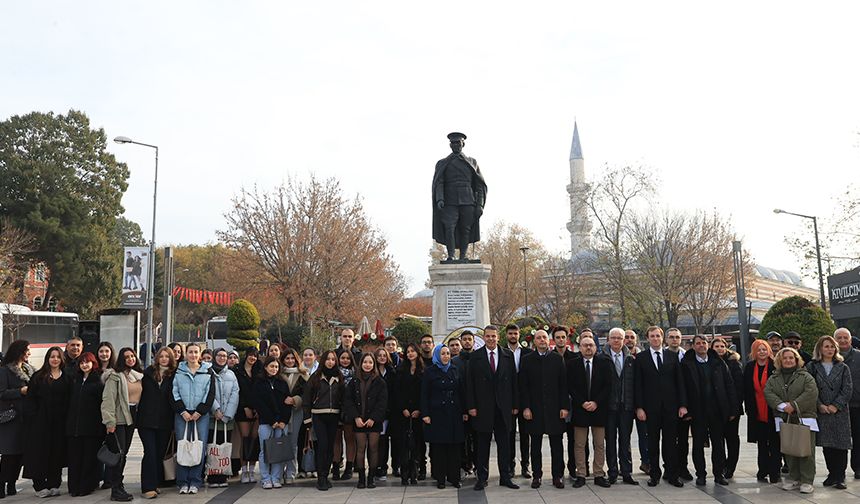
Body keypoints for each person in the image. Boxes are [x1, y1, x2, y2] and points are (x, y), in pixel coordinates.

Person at [466, 325, 519, 490]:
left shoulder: (507, 355)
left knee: (505, 445)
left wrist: (515, 405)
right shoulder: (475, 357)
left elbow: (514, 383)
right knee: (482, 446)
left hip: (503, 408)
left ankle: (505, 477)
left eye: (493, 336)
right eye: (487, 336)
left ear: (498, 337)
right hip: (483, 408)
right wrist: (471, 406)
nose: (490, 339)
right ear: (484, 337)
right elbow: (470, 384)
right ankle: (482, 478)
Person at [634, 326, 687, 487]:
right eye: (652, 336)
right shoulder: (641, 358)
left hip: (670, 408)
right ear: (648, 338)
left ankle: (672, 474)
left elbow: (680, 383)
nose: (655, 338)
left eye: (658, 335)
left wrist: (683, 405)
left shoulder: (672, 356)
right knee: (653, 442)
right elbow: (638, 385)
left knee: (671, 442)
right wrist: (639, 407)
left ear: (662, 338)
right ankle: (654, 474)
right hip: (650, 409)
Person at [680, 335, 736, 487]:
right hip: (697, 411)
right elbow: (682, 387)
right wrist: (685, 407)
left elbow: (729, 384)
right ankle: (701, 475)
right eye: (697, 343)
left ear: (708, 345)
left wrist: (732, 408)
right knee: (698, 444)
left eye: (703, 343)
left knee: (718, 444)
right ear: (693, 346)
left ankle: (719, 474)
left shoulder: (718, 362)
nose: (701, 346)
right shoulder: (686, 364)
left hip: (717, 410)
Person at [764, 347, 818, 494]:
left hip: (804, 417)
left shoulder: (805, 376)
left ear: (796, 360)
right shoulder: (774, 378)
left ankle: (807, 480)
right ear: (780, 360)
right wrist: (782, 406)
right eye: (785, 358)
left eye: (791, 358)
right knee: (790, 449)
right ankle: (794, 477)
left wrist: (794, 405)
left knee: (806, 450)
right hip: (784, 418)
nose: (788, 360)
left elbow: (811, 392)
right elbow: (768, 392)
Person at [519, 329, 568, 489]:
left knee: (557, 445)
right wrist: (525, 407)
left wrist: (564, 407)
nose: (542, 340)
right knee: (536, 445)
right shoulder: (526, 360)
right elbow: (523, 386)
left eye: (544, 338)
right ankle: (537, 475)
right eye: (538, 338)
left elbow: (563, 386)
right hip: (535, 409)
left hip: (554, 409)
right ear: (534, 341)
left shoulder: (557, 359)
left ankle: (557, 476)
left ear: (549, 341)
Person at [431, 131, 487, 261]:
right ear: (450, 145)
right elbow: (439, 182)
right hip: (449, 201)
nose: (455, 145)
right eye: (453, 143)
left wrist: (480, 204)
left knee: (465, 229)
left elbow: (480, 185)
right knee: (449, 227)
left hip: (468, 200)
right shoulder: (442, 163)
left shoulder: (472, 162)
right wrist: (439, 198)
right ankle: (450, 255)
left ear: (463, 144)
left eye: (458, 142)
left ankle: (463, 256)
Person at [23, 346, 70, 498]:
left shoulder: (67, 378)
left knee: (56, 453)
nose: (55, 359)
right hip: (40, 422)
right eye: (52, 356)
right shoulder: (38, 376)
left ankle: (54, 483)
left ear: (61, 359)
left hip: (59, 423)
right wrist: (33, 418)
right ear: (47, 359)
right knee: (38, 453)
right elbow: (30, 400)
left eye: (57, 356)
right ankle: (39, 485)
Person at [807, 335, 852, 489]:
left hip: (839, 411)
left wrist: (836, 405)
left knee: (841, 444)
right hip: (822, 410)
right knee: (827, 444)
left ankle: (840, 476)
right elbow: (809, 388)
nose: (830, 349)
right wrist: (820, 405)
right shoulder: (812, 366)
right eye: (826, 346)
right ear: (820, 348)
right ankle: (831, 474)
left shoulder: (842, 367)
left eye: (832, 346)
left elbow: (847, 389)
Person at [172, 342, 216, 495]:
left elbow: (210, 393)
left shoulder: (207, 371)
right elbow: (174, 392)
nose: (193, 355)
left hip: (200, 415)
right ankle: (183, 481)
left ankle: (196, 480)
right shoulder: (178, 371)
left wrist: (200, 411)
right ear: (186, 354)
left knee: (199, 447)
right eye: (190, 352)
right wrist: (182, 410)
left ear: (200, 354)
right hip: (182, 414)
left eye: (196, 352)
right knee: (183, 446)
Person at [568, 335, 612, 488]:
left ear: (595, 347)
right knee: (579, 444)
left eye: (591, 345)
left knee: (599, 444)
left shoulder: (604, 363)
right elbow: (571, 387)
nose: (588, 348)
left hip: (598, 409)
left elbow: (608, 386)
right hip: (580, 410)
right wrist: (582, 402)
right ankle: (581, 474)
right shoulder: (572, 364)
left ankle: (599, 474)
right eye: (585, 345)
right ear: (579, 347)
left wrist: (596, 402)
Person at [102, 347, 144, 502]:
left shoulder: (137, 375)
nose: (130, 359)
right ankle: (115, 488)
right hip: (118, 419)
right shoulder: (115, 376)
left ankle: (119, 485)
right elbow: (108, 400)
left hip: (132, 417)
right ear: (121, 359)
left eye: (132, 356)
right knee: (118, 455)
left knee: (124, 453)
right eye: (126, 357)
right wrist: (109, 422)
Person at [421, 344, 465, 489]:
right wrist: (426, 414)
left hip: (454, 413)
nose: (446, 356)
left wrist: (464, 411)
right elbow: (424, 394)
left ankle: (454, 477)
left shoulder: (455, 369)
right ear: (437, 355)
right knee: (439, 448)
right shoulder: (430, 372)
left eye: (448, 353)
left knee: (454, 448)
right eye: (443, 353)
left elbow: (461, 391)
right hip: (437, 414)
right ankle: (440, 478)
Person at [600, 327, 638, 485]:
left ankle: (627, 472)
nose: (616, 340)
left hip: (626, 406)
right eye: (613, 338)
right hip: (609, 407)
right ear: (608, 339)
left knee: (625, 440)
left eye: (619, 338)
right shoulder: (601, 359)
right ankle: (613, 472)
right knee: (610, 441)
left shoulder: (631, 359)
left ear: (624, 340)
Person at [302, 350, 344, 491]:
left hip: (334, 416)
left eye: (333, 359)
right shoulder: (315, 377)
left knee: (330, 448)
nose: (330, 362)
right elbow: (306, 399)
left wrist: (342, 416)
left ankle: (326, 475)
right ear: (323, 360)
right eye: (328, 359)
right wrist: (307, 419)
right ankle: (321, 478)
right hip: (318, 416)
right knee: (322, 446)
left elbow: (343, 398)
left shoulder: (339, 376)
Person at [137, 347, 177, 499]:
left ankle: (154, 483)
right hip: (146, 421)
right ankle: (147, 487)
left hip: (165, 422)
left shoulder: (174, 375)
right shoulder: (147, 373)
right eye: (162, 356)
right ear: (157, 357)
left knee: (159, 454)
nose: (164, 359)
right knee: (150, 453)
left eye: (167, 356)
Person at [344, 353, 388, 489]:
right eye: (365, 362)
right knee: (361, 448)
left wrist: (373, 418)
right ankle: (361, 478)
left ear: (373, 364)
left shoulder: (380, 381)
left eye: (370, 362)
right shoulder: (354, 381)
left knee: (373, 449)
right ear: (361, 364)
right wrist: (356, 417)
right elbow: (348, 400)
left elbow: (383, 402)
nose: (367, 365)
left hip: (374, 421)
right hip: (359, 420)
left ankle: (371, 478)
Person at [743, 339, 781, 483]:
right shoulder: (749, 367)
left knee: (775, 443)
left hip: (773, 409)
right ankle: (763, 470)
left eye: (764, 349)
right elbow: (747, 389)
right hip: (756, 410)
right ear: (754, 352)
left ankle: (774, 471)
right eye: (759, 350)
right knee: (762, 444)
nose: (762, 352)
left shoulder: (775, 365)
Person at [67, 352, 104, 497]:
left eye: (87, 362)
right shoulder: (74, 380)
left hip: (91, 428)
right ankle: (74, 487)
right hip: (73, 428)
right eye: (82, 362)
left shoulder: (98, 382)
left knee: (89, 459)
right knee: (75, 459)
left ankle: (86, 486)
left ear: (93, 363)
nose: (84, 365)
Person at [0, 340, 33, 498]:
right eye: (27, 350)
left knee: (20, 454)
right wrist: (20, 391)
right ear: (19, 351)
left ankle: (12, 484)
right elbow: (2, 393)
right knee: (9, 454)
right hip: (11, 419)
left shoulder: (28, 369)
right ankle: (1, 485)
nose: (29, 353)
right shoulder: (5, 371)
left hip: (25, 418)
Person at [253, 356, 290, 489]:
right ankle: (265, 478)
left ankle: (276, 477)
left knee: (277, 450)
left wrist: (283, 421)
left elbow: (287, 403)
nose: (274, 369)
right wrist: (272, 421)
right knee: (264, 450)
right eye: (271, 366)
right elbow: (259, 404)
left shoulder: (282, 383)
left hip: (281, 423)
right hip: (266, 422)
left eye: (276, 367)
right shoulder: (259, 383)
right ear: (265, 367)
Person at [711, 337, 744, 480]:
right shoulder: (709, 363)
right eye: (716, 346)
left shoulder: (733, 363)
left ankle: (730, 467)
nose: (719, 349)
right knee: (717, 441)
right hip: (715, 410)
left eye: (722, 346)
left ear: (726, 348)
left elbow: (738, 388)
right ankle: (720, 466)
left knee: (732, 439)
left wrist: (734, 409)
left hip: (732, 409)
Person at [207, 348, 239, 488]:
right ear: (214, 357)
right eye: (219, 355)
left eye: (224, 356)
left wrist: (227, 414)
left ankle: (223, 476)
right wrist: (215, 410)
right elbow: (206, 392)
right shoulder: (208, 372)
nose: (222, 358)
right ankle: (213, 477)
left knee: (224, 448)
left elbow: (235, 394)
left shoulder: (231, 374)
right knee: (212, 447)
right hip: (212, 417)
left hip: (227, 418)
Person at [394, 343, 424, 485]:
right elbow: (397, 392)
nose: (410, 354)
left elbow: (425, 392)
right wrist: (403, 408)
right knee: (404, 444)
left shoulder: (424, 370)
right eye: (408, 352)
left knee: (417, 444)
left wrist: (419, 409)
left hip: (418, 413)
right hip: (403, 413)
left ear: (417, 353)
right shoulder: (400, 370)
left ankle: (415, 473)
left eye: (413, 351)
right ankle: (404, 473)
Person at [505, 323, 532, 479]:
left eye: (515, 333)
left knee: (525, 435)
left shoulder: (527, 353)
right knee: (509, 435)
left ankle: (525, 466)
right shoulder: (502, 352)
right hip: (508, 401)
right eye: (510, 333)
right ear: (506, 335)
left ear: (519, 334)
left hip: (524, 400)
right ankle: (510, 466)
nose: (513, 336)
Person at [664, 328, 692, 482]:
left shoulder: (687, 356)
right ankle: (669, 468)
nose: (674, 340)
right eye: (671, 337)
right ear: (666, 339)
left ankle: (683, 467)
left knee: (683, 440)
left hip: (684, 405)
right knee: (668, 439)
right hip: (667, 406)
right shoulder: (661, 356)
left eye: (677, 337)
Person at [552, 326, 578, 478]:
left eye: (563, 337)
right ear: (553, 339)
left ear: (567, 339)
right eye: (557, 337)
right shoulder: (550, 357)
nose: (560, 340)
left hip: (573, 402)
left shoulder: (574, 357)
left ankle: (573, 468)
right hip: (556, 404)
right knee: (557, 439)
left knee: (573, 439)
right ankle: (558, 470)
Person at [279, 348, 308, 485]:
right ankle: (278, 471)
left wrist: (295, 400)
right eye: (287, 358)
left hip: (297, 413)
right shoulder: (277, 373)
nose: (290, 361)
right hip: (280, 413)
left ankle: (291, 470)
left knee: (293, 443)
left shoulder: (303, 374)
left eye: (292, 358)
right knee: (280, 441)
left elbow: (307, 394)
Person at [835, 328, 860, 479]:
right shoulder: (830, 358)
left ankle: (858, 466)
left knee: (858, 438)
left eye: (845, 338)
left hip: (857, 405)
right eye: (839, 338)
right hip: (838, 406)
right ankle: (839, 471)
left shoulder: (859, 356)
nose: (843, 340)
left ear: (850, 340)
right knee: (840, 440)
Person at [234, 349, 261, 484]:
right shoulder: (237, 370)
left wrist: (256, 408)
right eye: (251, 355)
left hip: (257, 410)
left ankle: (251, 469)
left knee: (254, 439)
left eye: (255, 356)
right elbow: (237, 391)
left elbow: (261, 390)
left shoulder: (259, 370)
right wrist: (245, 407)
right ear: (246, 356)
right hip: (242, 409)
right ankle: (244, 470)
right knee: (245, 439)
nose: (253, 358)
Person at [452, 330, 477, 477]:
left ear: (474, 341)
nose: (467, 341)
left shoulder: (479, 358)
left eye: (470, 339)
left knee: (477, 439)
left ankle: (476, 465)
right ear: (461, 341)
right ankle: (462, 465)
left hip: (477, 408)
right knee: (461, 439)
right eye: (465, 339)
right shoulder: (454, 361)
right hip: (460, 407)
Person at [625, 329, 649, 474]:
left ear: (637, 339)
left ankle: (646, 462)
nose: (629, 340)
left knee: (645, 435)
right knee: (625, 436)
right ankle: (626, 467)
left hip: (642, 403)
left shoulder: (644, 357)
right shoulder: (620, 357)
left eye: (631, 337)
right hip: (626, 403)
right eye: (626, 337)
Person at [333, 349, 357, 480]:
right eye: (342, 358)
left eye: (348, 358)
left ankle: (349, 468)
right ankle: (335, 467)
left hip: (349, 411)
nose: (345, 360)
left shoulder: (356, 374)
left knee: (350, 439)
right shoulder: (333, 373)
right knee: (336, 440)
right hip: (335, 410)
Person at [373, 347, 396, 481]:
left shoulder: (391, 373)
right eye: (379, 355)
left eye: (384, 355)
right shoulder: (372, 373)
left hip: (387, 413)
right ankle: (374, 467)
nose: (382, 357)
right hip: (374, 413)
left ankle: (383, 467)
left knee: (384, 441)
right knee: (374, 442)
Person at [297, 348, 318, 478]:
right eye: (305, 355)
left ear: (315, 356)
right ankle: (302, 468)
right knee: (301, 439)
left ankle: (315, 467)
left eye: (310, 354)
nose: (308, 357)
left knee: (315, 439)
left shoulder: (319, 371)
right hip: (301, 409)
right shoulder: (298, 371)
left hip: (317, 409)